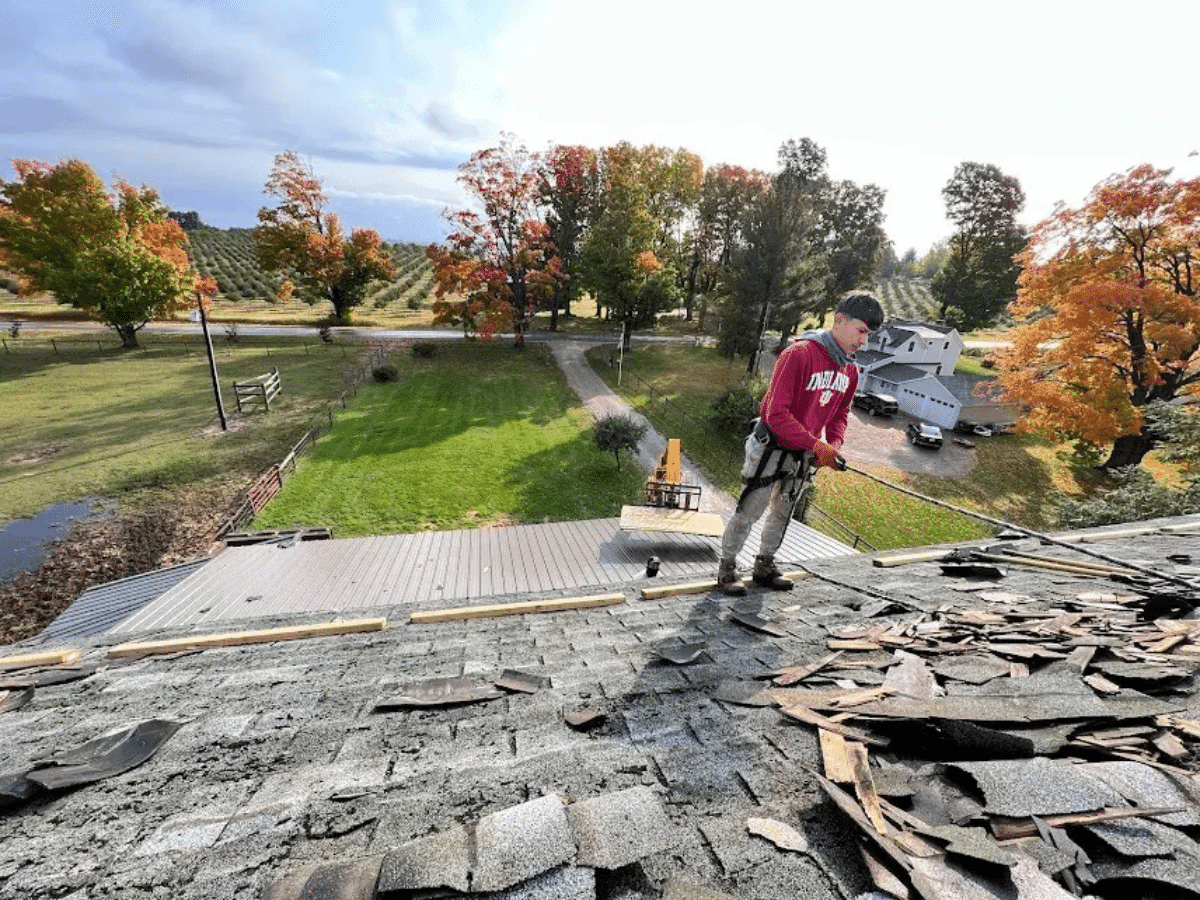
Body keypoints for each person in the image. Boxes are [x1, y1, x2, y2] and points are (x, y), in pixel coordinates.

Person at [716, 290, 885, 596]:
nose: (864, 341)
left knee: (784, 511)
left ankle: (765, 565)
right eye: (861, 331)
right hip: (771, 446)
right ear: (840, 321)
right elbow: (775, 414)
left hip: (803, 454)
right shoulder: (799, 355)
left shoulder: (850, 371)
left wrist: (833, 445)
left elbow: (840, 414)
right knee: (750, 509)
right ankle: (727, 566)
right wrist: (816, 445)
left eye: (869, 335)